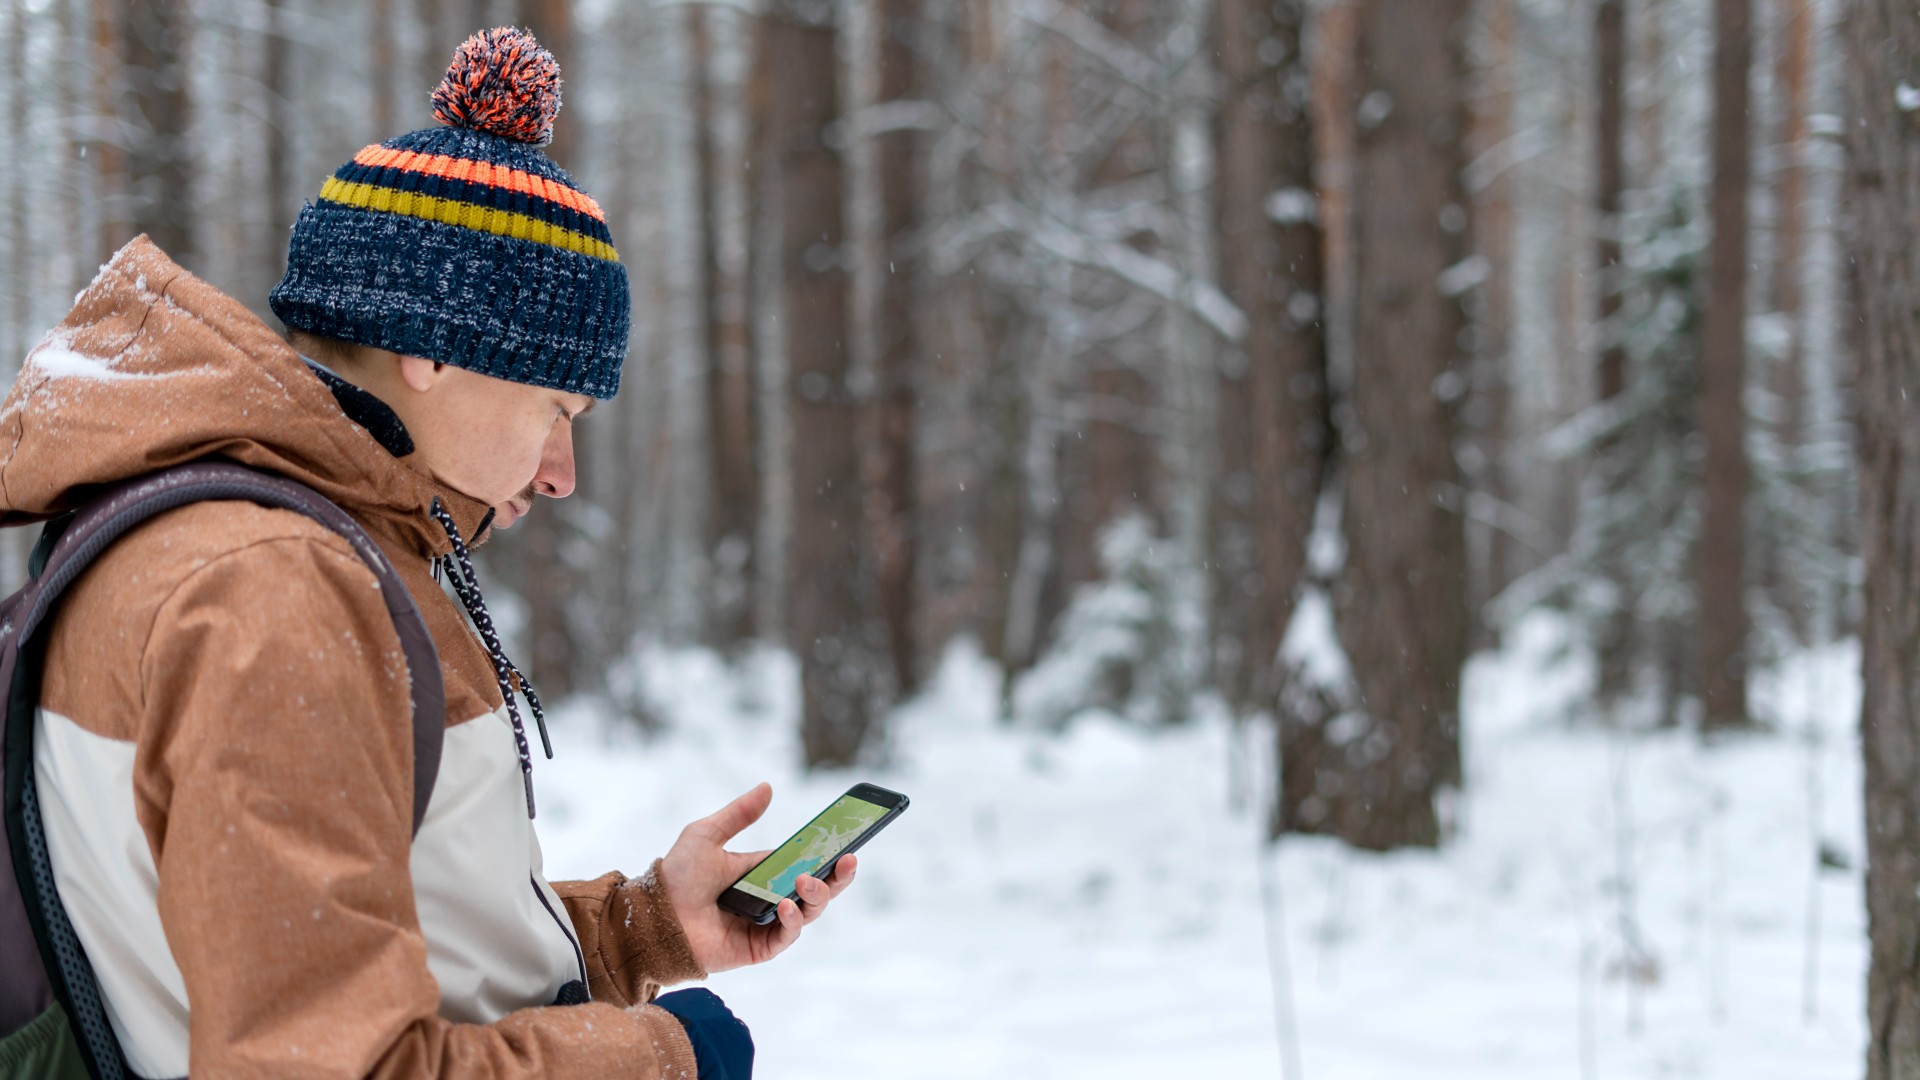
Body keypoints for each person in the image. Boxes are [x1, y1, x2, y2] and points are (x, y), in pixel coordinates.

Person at [0, 27, 844, 1079]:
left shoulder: (276, 544)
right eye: (557, 407)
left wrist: (643, 931)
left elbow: (338, 953)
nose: (559, 472)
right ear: (433, 351)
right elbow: (325, 1064)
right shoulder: (270, 589)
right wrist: (664, 1058)